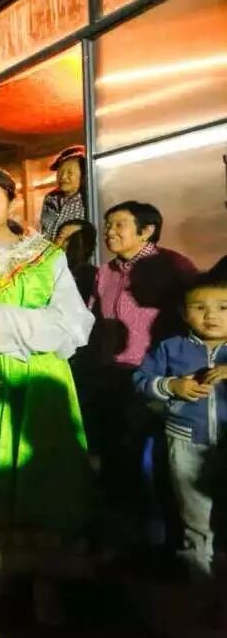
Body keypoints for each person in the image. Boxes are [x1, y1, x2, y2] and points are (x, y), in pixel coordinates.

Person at [0, 168, 95, 626]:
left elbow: (74, 322)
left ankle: (46, 578)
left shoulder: (45, 255)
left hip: (40, 371)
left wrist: (4, 320)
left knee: (43, 467)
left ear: (12, 202)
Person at [90, 200, 197, 550]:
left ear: (147, 230)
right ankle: (127, 539)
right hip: (111, 375)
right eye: (108, 225)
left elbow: (195, 316)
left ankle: (166, 542)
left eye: (119, 224)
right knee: (116, 458)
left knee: (155, 464)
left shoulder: (173, 266)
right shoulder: (105, 272)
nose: (110, 232)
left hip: (155, 377)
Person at [133, 272, 227, 583]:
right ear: (183, 313)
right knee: (195, 514)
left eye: (223, 307)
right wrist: (172, 385)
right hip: (186, 442)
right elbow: (141, 381)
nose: (211, 315)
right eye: (199, 307)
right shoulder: (170, 348)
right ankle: (201, 581)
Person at [39, 145, 86, 242]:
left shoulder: (87, 198)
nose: (63, 177)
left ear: (83, 175)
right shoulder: (50, 198)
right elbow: (45, 233)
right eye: (60, 172)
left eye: (69, 172)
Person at [54, 219, 98, 303]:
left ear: (87, 245)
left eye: (73, 239)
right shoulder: (45, 269)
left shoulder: (94, 277)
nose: (65, 244)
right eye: (61, 237)